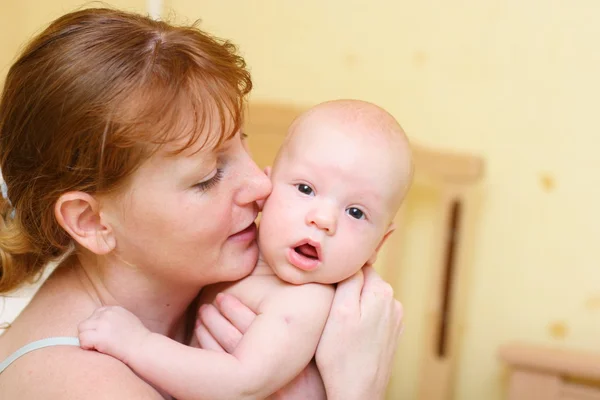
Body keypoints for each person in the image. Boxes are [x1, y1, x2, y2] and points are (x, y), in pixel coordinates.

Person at [0, 7, 403, 400]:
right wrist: (358, 389)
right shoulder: (89, 386)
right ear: (91, 221)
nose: (261, 186)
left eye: (242, 144)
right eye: (208, 176)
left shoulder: (207, 289)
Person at [76, 99, 413, 400]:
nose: (323, 219)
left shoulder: (306, 300)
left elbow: (241, 383)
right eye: (306, 188)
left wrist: (137, 344)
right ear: (268, 190)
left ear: (378, 245)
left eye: (356, 212)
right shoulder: (235, 255)